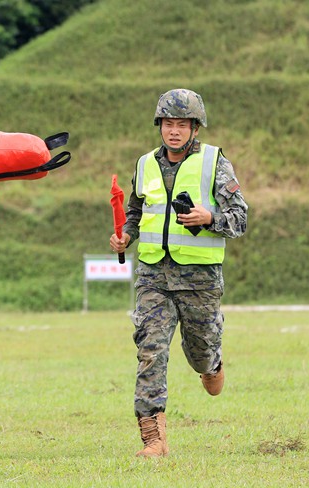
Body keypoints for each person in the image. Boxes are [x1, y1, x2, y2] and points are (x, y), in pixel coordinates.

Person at [109, 89, 248, 458]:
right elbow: (135, 214)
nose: (174, 131)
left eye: (181, 125)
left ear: (195, 127)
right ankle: (154, 439)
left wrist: (210, 218)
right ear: (160, 126)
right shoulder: (144, 164)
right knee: (150, 350)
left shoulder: (215, 162)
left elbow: (240, 219)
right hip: (153, 276)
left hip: (199, 280)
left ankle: (211, 362)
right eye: (168, 124)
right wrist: (125, 235)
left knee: (199, 351)